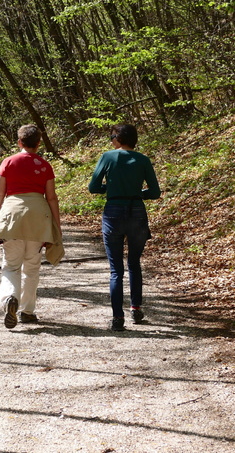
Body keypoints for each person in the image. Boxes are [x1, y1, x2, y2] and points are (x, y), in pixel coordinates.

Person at [0, 124, 63, 329]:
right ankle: (27, 311)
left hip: (12, 217)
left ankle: (10, 298)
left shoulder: (8, 162)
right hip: (38, 218)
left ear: (19, 142)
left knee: (11, 265)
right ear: (39, 144)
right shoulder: (45, 165)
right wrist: (56, 225)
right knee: (32, 267)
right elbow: (52, 198)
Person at [88, 124, 161, 331]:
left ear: (119, 139)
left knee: (115, 270)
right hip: (137, 212)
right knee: (134, 263)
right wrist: (136, 193)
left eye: (112, 137)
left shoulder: (108, 157)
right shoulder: (143, 160)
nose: (111, 140)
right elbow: (155, 192)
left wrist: (111, 188)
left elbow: (93, 187)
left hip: (113, 212)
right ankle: (136, 308)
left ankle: (117, 318)